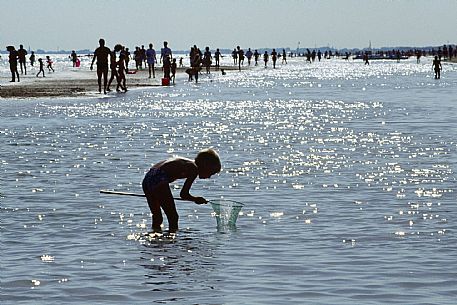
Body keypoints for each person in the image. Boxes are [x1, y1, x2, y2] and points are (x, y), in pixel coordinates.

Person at [142, 148, 221, 232]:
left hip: (148, 178)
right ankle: (172, 240)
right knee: (173, 217)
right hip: (158, 179)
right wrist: (196, 199)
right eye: (211, 173)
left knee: (157, 216)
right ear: (205, 165)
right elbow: (183, 194)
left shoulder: (187, 163)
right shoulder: (193, 169)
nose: (209, 177)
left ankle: (155, 238)